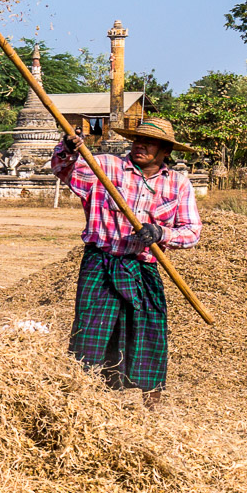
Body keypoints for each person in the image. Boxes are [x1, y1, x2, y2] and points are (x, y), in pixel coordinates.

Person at [50, 116, 201, 405]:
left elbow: (192, 232)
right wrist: (68, 149)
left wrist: (160, 233)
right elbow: (63, 169)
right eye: (137, 140)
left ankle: (151, 398)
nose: (140, 145)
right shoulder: (105, 166)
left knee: (148, 327)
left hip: (142, 265)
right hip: (101, 261)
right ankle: (82, 396)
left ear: (165, 151)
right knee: (93, 329)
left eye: (150, 142)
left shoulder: (178, 185)